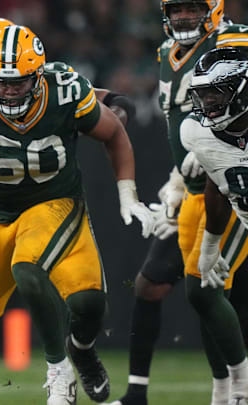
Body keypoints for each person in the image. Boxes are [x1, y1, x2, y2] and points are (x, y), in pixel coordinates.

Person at [0, 24, 154, 405]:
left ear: (36, 71)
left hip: (53, 201)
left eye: (18, 79)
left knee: (54, 283)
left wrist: (126, 186)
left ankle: (62, 366)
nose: (6, 88)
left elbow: (115, 115)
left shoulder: (62, 87)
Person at [108, 2, 248, 405]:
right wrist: (176, 181)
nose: (184, 17)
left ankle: (235, 388)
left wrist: (214, 145)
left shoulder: (231, 38)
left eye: (192, 8)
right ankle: (221, 390)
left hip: (229, 179)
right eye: (178, 9)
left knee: (206, 289)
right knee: (192, 289)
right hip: (193, 188)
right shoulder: (166, 53)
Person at [175, 46, 248, 404]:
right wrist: (209, 246)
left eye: (216, 92)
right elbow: (218, 185)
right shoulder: (196, 132)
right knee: (202, 290)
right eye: (202, 93)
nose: (208, 102)